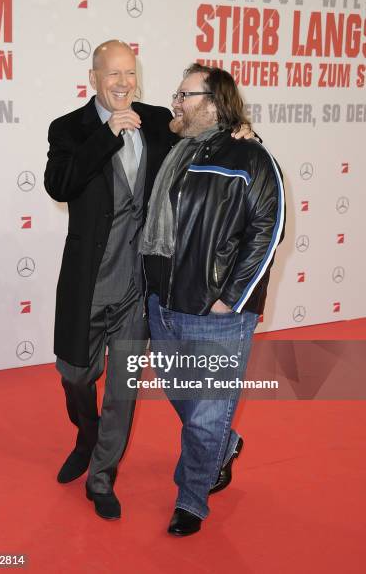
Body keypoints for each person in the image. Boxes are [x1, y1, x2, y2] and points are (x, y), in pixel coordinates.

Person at [44, 41, 254, 521]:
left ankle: (102, 477)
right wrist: (106, 137)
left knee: (123, 389)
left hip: (137, 290)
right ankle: (86, 433)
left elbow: (203, 134)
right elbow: (60, 184)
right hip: (87, 284)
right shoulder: (69, 129)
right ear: (94, 78)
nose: (123, 83)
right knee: (76, 376)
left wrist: (236, 130)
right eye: (113, 74)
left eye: (130, 74)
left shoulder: (159, 120)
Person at [142, 63, 285, 536]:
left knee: (205, 416)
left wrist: (231, 299)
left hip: (217, 314)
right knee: (183, 395)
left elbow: (268, 231)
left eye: (184, 95)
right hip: (163, 303)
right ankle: (224, 443)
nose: (175, 103)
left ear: (214, 100)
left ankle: (192, 499)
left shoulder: (251, 158)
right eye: (176, 93)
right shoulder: (174, 147)